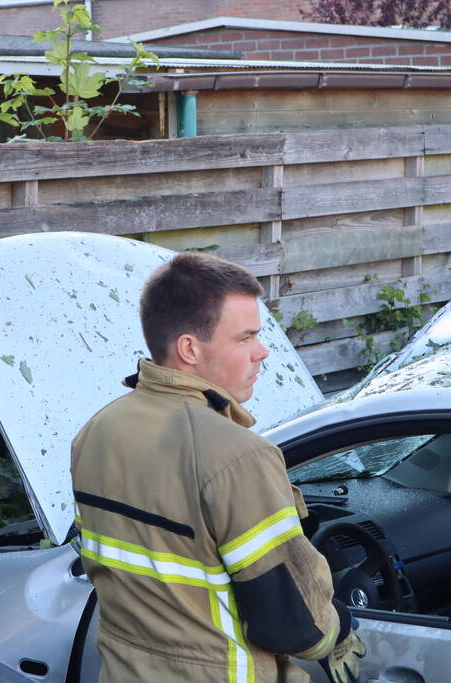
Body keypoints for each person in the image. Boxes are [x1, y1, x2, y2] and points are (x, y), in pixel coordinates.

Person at [71, 252, 365, 683]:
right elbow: (293, 622)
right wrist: (338, 628)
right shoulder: (237, 456)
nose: (261, 352)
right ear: (190, 348)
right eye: (244, 338)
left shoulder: (95, 432)